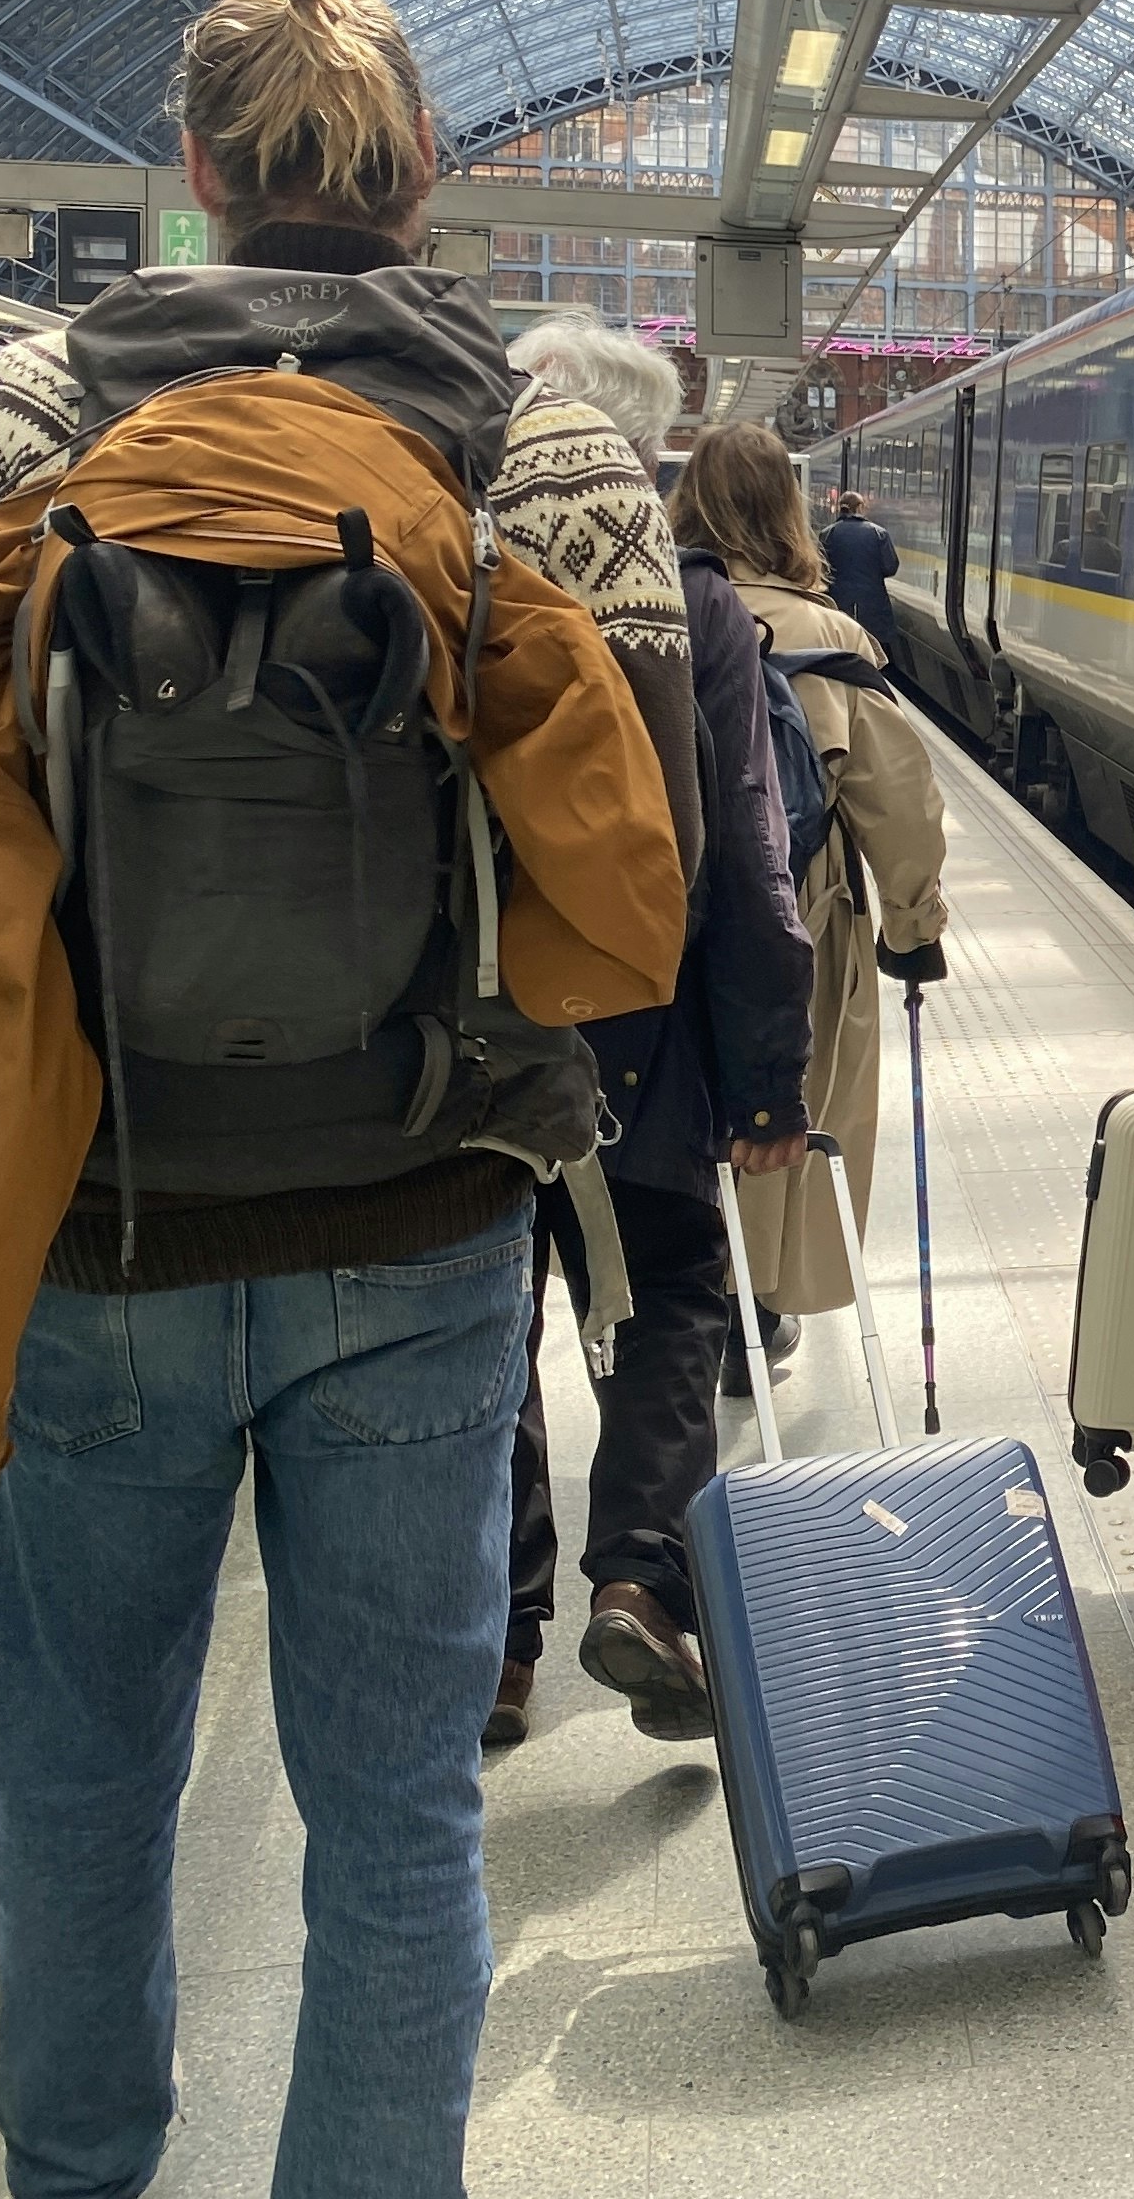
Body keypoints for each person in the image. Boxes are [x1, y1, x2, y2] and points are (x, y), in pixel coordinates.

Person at [0, 0, 700, 2199]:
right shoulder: (546, 444)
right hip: (425, 1217)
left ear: (191, 173)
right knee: (397, 1808)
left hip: (93, 1218)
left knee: (84, 1786)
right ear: (426, 173)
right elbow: (631, 846)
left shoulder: (25, 412)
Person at [497, 320, 813, 1746]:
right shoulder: (700, 611)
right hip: (652, 1036)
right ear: (640, 456)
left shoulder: (455, 565)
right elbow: (747, 856)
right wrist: (766, 1081)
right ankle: (641, 1586)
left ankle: (497, 1647)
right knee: (670, 1304)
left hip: (481, 1042)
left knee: (487, 1325)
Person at [675, 425, 952, 1365]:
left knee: (674, 1106)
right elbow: (900, 802)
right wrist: (914, 927)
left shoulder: (649, 608)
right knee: (783, 1105)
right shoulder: (829, 635)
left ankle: (678, 1297)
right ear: (790, 514)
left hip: (660, 916)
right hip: (804, 915)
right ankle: (754, 1308)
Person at [821, 486, 902, 660]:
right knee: (873, 654)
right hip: (873, 605)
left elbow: (820, 568)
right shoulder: (878, 533)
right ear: (859, 508)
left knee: (841, 652)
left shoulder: (827, 534)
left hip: (838, 603)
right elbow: (890, 567)